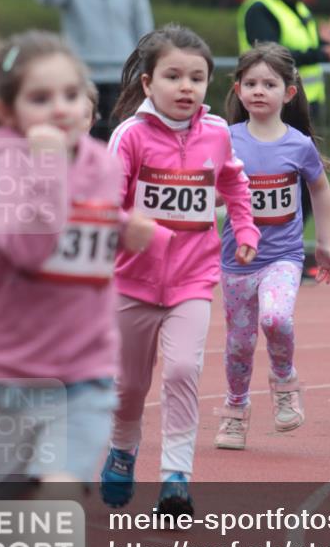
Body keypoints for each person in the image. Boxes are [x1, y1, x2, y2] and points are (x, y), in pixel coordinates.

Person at [0, 18, 153, 490]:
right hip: (10, 368)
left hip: (84, 361)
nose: (60, 108)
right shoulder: (3, 159)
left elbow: (92, 216)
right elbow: (28, 248)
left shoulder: (101, 163)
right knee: (8, 498)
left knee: (60, 490)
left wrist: (126, 227)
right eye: (41, 98)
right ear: (5, 109)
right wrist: (47, 168)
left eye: (71, 95)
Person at [101, 25, 259, 513]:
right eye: (173, 76)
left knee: (184, 370)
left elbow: (234, 182)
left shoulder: (216, 133)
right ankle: (122, 450)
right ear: (148, 83)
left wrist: (246, 229)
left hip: (193, 278)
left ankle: (175, 476)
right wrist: (145, 232)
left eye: (197, 77)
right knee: (130, 386)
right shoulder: (129, 136)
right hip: (131, 282)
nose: (186, 87)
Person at [214, 43, 330, 451]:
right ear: (237, 90)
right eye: (250, 83)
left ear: (288, 93)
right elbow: (211, 193)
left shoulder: (298, 144)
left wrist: (324, 243)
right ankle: (235, 409)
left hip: (283, 256)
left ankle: (284, 379)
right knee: (239, 343)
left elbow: (320, 189)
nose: (258, 91)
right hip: (236, 260)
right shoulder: (225, 139)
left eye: (269, 84)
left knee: (276, 318)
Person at [35, 0, 154, 141]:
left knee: (123, 142)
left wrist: (145, 74)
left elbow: (145, 34)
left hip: (123, 80)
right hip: (83, 80)